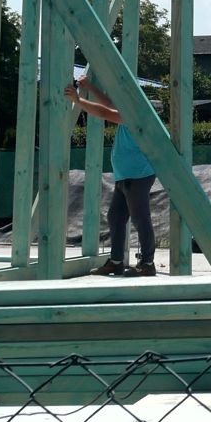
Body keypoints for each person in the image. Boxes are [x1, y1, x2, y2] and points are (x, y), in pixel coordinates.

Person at [62, 75, 160, 278]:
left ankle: (147, 263)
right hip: (125, 176)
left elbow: (105, 112)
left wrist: (79, 101)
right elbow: (109, 104)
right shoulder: (130, 108)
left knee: (140, 218)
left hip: (138, 175)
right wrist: (90, 87)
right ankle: (116, 262)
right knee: (115, 217)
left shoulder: (139, 112)